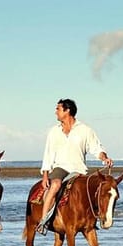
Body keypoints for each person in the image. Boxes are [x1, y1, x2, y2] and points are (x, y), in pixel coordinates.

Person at [36, 98, 113, 235]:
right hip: (60, 168)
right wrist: (45, 176)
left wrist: (104, 158)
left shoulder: (85, 130)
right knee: (55, 185)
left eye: (58, 109)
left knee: (92, 191)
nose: (55, 113)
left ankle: (91, 220)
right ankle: (43, 221)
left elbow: (96, 148)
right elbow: (48, 154)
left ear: (67, 111)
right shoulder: (54, 131)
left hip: (79, 170)